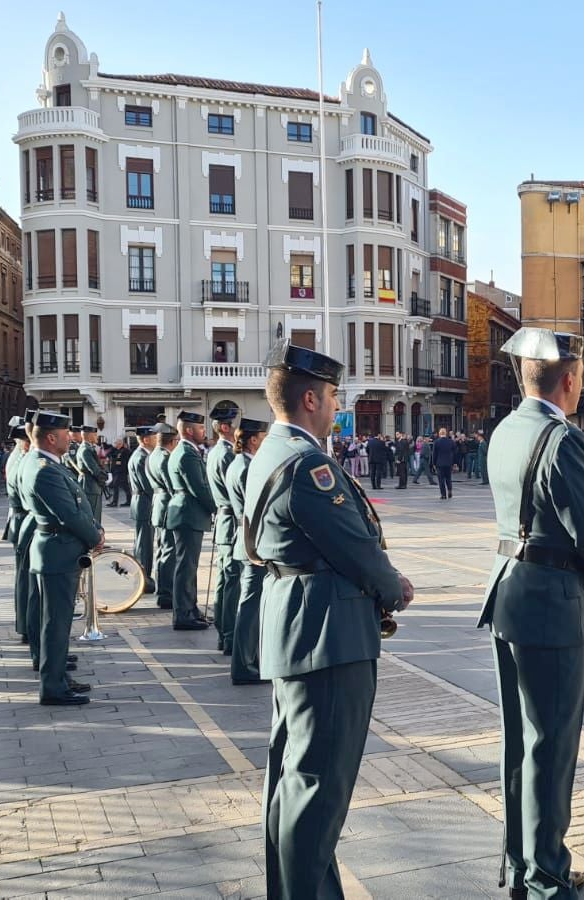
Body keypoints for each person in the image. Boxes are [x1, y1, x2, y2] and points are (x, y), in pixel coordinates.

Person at [249, 343, 412, 897]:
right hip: (326, 634)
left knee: (294, 777)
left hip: (298, 623)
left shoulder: (271, 451)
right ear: (312, 398)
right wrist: (396, 589)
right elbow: (358, 549)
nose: (338, 406)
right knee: (319, 784)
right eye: (335, 395)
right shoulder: (306, 464)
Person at [481, 327, 584, 899]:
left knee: (522, 741)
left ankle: (522, 867)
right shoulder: (562, 440)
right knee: (552, 746)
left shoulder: (507, 429)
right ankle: (545, 879)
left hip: (509, 590)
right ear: (571, 379)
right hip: (550, 602)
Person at [18, 411, 102, 705]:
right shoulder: (44, 470)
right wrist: (95, 536)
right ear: (52, 438)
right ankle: (53, 687)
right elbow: (69, 514)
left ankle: (59, 678)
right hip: (57, 549)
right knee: (56, 622)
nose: (71, 438)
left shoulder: (45, 464)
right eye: (67, 434)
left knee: (55, 620)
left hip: (55, 548)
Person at [225, 417, 271, 685]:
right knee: (250, 607)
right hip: (253, 544)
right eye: (263, 438)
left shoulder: (241, 464)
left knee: (251, 605)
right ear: (254, 440)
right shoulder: (246, 467)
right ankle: (244, 666)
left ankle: (249, 661)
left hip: (248, 540)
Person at [166, 412, 215, 631]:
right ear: (188, 430)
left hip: (187, 513)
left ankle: (190, 609)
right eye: (200, 428)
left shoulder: (186, 451)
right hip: (188, 514)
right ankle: (183, 614)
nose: (204, 431)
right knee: (186, 567)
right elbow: (199, 488)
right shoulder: (187, 454)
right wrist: (216, 508)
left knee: (189, 566)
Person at [206, 409, 239, 653]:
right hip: (230, 521)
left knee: (224, 580)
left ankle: (223, 630)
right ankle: (229, 635)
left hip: (224, 520)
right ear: (225, 428)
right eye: (233, 425)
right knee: (232, 583)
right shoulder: (226, 455)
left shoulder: (215, 452)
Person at [2, 416, 34, 644]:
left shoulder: (19, 457)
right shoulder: (22, 460)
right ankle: (27, 626)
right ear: (25, 442)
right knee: (27, 580)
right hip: (24, 522)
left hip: (20, 521)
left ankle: (26, 624)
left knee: (25, 578)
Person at [148, 424, 177, 610]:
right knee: (168, 551)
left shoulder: (153, 455)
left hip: (158, 503)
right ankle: (166, 593)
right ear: (172, 441)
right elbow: (171, 484)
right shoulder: (165, 458)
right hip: (166, 505)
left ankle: (162, 591)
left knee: (162, 550)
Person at [126, 426, 158, 594]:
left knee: (142, 542)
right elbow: (149, 486)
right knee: (144, 544)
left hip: (142, 502)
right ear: (145, 439)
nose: (157, 439)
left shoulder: (143, 455)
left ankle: (142, 576)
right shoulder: (141, 458)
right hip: (144, 503)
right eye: (154, 436)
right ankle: (143, 578)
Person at [433, 427, 457, 499]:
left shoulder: (436, 442)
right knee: (448, 478)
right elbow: (455, 452)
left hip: (439, 463)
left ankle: (443, 494)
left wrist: (433, 463)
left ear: (439, 433)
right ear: (446, 433)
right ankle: (449, 490)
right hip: (449, 463)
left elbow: (434, 454)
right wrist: (454, 463)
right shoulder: (451, 442)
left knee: (441, 480)